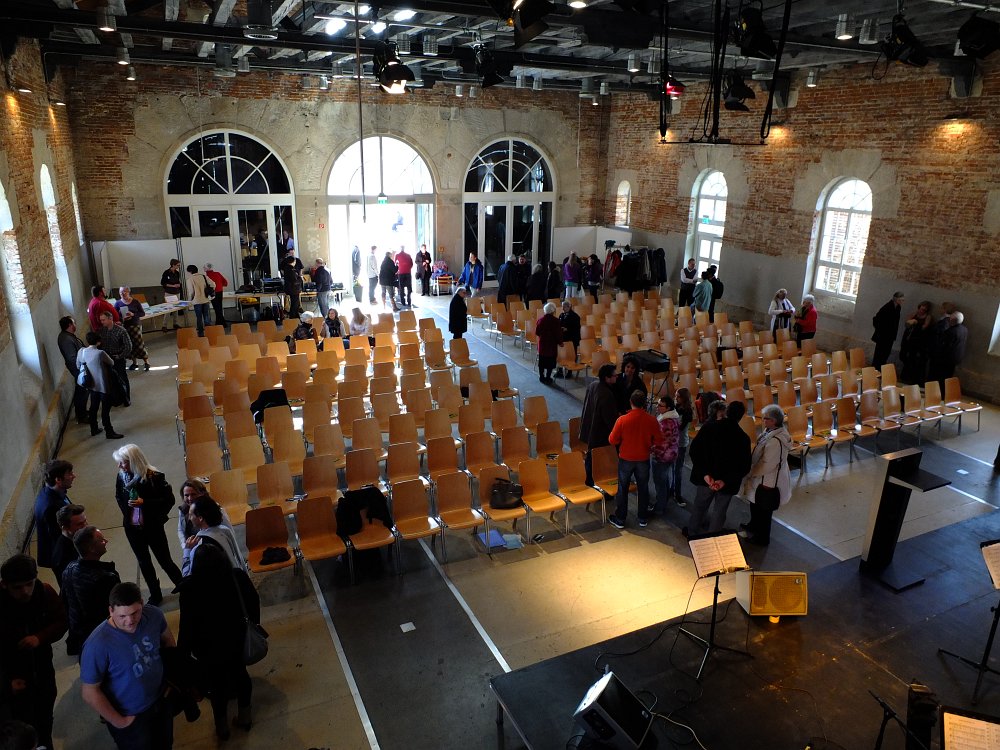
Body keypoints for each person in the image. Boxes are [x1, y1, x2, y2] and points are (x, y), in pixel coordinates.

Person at [178, 498, 255, 740]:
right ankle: (245, 717)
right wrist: (252, 623)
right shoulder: (235, 578)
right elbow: (252, 600)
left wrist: (184, 655)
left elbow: (186, 627)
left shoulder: (191, 590)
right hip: (236, 636)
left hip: (207, 647)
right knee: (241, 675)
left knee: (217, 686)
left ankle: (221, 727)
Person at [80, 582, 175, 750]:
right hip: (132, 716)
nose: (130, 621)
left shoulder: (154, 615)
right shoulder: (97, 644)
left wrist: (171, 682)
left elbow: (169, 643)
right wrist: (120, 722)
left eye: (135, 612)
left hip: (161, 701)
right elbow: (89, 692)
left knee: (165, 744)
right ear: (111, 611)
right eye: (122, 616)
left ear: (142, 603)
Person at [0, 554, 67, 750]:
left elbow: (62, 621)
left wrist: (40, 637)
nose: (25, 592)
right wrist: (5, 686)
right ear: (4, 585)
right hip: (13, 678)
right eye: (18, 587)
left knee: (45, 718)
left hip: (42, 670)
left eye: (29, 584)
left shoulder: (44, 592)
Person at [113, 444, 183, 605]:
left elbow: (168, 501)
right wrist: (128, 513)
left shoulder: (154, 477)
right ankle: (155, 593)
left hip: (153, 527)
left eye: (123, 462)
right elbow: (118, 496)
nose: (119, 466)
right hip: (132, 528)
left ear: (133, 461)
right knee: (144, 562)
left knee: (164, 559)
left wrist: (144, 503)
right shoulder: (121, 477)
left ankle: (183, 585)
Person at [686, 400, 751, 536]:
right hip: (726, 484)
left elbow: (695, 451)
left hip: (706, 479)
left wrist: (705, 474)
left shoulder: (709, 427)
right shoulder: (743, 438)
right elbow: (744, 466)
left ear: (726, 412)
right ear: (741, 417)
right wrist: (724, 481)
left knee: (699, 506)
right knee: (719, 512)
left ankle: (692, 533)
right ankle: (712, 538)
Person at [61, 525, 121, 656]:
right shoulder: (105, 579)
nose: (106, 541)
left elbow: (65, 601)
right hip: (103, 635)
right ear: (92, 549)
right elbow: (116, 610)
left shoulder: (69, 569)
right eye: (102, 540)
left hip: (80, 635)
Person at [607, 390, 663, 529]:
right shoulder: (651, 420)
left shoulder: (622, 420)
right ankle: (642, 518)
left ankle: (620, 519)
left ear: (630, 402)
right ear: (644, 404)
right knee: (643, 488)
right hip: (643, 458)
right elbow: (659, 440)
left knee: (623, 488)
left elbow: (612, 440)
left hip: (626, 458)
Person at [739, 404, 792, 546]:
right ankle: (753, 525)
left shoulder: (776, 441)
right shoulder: (770, 431)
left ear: (773, 421)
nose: (763, 421)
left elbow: (767, 464)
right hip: (760, 478)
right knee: (755, 503)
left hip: (768, 480)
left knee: (764, 510)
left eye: (765, 418)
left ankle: (761, 539)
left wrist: (752, 472)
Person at [178, 487, 239, 577]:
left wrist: (187, 550)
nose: (189, 518)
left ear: (200, 518)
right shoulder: (225, 530)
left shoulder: (199, 547)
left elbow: (187, 577)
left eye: (191, 515)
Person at [78, 331, 124, 439]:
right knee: (105, 409)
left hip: (91, 384)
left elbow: (78, 365)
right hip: (103, 384)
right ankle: (109, 431)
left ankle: (94, 428)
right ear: (98, 342)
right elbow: (111, 362)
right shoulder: (100, 353)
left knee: (93, 407)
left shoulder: (82, 352)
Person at [579, 364, 618, 487]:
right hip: (600, 434)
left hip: (590, 429)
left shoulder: (593, 385)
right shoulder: (606, 394)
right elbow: (609, 419)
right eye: (614, 375)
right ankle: (595, 485)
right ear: (607, 378)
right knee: (598, 462)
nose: (617, 377)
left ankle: (588, 483)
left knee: (590, 459)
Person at [33, 459, 75, 570]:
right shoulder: (51, 507)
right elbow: (59, 537)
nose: (74, 476)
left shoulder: (51, 492)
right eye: (69, 474)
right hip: (63, 558)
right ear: (58, 480)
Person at [649, 396, 680, 516]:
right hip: (671, 454)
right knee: (665, 480)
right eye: (658, 404)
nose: (657, 407)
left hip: (662, 457)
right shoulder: (672, 417)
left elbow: (661, 443)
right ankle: (663, 503)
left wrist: (652, 451)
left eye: (660, 405)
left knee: (660, 483)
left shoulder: (666, 422)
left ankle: (659, 508)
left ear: (668, 408)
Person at [58, 315, 91, 424]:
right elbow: (72, 358)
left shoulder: (68, 336)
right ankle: (81, 416)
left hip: (80, 367)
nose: (75, 325)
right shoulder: (66, 339)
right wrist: (82, 367)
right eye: (74, 323)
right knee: (82, 390)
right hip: (79, 368)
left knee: (82, 390)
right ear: (70, 325)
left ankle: (82, 412)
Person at [98, 310, 132, 405]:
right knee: (111, 380)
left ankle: (126, 398)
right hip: (107, 358)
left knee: (122, 378)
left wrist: (120, 356)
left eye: (103, 320)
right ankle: (117, 399)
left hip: (118, 358)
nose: (102, 322)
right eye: (101, 320)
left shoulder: (121, 331)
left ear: (110, 319)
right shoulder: (102, 331)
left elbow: (128, 346)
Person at [929, 311, 968, 389]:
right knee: (947, 376)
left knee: (940, 376)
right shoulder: (964, 329)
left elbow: (944, 345)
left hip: (946, 358)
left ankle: (937, 391)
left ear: (952, 320)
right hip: (955, 358)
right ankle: (944, 391)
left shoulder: (951, 331)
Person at [114, 286, 150, 371]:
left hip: (135, 325)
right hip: (124, 326)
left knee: (139, 344)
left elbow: (142, 313)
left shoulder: (135, 301)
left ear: (128, 292)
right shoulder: (117, 303)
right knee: (129, 344)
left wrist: (133, 314)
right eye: (120, 292)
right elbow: (116, 316)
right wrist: (121, 319)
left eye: (124, 291)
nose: (122, 293)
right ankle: (135, 363)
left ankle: (146, 362)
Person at [51, 503, 87, 586]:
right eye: (80, 524)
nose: (85, 526)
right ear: (65, 527)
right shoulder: (61, 558)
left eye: (85, 521)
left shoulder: (78, 537)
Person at [899, 300, 934, 384]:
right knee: (903, 355)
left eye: (924, 310)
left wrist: (916, 323)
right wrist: (910, 322)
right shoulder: (914, 314)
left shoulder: (928, 317)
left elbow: (924, 327)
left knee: (913, 358)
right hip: (908, 338)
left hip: (917, 340)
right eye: (921, 309)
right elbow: (906, 323)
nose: (921, 311)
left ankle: (910, 377)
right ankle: (905, 375)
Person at [672, 387, 694, 507]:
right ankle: (671, 489)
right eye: (675, 396)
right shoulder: (675, 407)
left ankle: (678, 494)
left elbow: (679, 427)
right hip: (673, 441)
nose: (676, 398)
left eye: (678, 396)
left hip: (680, 442)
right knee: (671, 468)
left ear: (684, 398)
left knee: (678, 470)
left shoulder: (687, 411)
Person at [871, 291, 905, 370]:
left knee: (885, 354)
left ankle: (880, 370)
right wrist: (882, 331)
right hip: (882, 336)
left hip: (890, 336)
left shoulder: (898, 307)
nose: (902, 301)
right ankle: (875, 370)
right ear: (896, 299)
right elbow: (876, 320)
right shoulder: (887, 307)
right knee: (879, 354)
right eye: (901, 299)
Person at [535, 302, 562, 384]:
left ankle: (541, 377)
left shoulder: (540, 320)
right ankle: (548, 377)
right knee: (550, 362)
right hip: (551, 345)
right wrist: (560, 342)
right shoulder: (556, 321)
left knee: (542, 362)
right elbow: (558, 334)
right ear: (553, 311)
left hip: (542, 344)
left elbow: (537, 332)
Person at [184, 264, 215, 337]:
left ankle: (201, 334)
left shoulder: (190, 279)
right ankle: (209, 332)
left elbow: (191, 292)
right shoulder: (204, 276)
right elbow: (213, 284)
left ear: (190, 271)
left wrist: (189, 301)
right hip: (205, 299)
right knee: (206, 316)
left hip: (197, 301)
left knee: (199, 317)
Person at [555, 300, 581, 378]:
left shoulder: (575, 316)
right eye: (562, 307)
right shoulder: (561, 315)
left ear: (569, 307)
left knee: (571, 355)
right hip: (563, 338)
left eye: (564, 307)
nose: (563, 309)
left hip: (572, 339)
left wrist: (567, 329)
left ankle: (570, 371)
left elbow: (577, 328)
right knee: (561, 354)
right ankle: (560, 371)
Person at [159, 259, 184, 331]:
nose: (178, 266)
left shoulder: (177, 273)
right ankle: (164, 325)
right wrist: (173, 286)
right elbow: (163, 283)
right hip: (169, 293)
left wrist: (179, 285)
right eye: (177, 265)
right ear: (173, 265)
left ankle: (175, 323)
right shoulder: (166, 272)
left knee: (176, 309)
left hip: (177, 292)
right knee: (168, 309)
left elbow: (178, 281)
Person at [204, 262, 229, 328]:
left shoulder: (206, 276)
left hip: (213, 293)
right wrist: (219, 285)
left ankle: (221, 324)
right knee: (219, 308)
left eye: (204, 267)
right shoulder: (217, 273)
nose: (203, 268)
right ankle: (220, 323)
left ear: (207, 268)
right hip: (220, 292)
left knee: (217, 309)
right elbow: (225, 282)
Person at [281, 254, 303, 319]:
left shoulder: (286, 269)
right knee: (295, 305)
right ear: (293, 262)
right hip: (294, 290)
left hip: (291, 289)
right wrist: (300, 279)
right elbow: (294, 281)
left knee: (295, 304)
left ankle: (295, 317)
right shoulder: (291, 270)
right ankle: (293, 318)